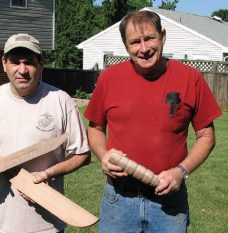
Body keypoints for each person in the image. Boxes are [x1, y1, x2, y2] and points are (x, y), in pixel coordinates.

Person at [84, 10, 222, 233]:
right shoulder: (109, 78)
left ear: (163, 37)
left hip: (169, 204)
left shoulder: (190, 79)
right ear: (125, 45)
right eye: (135, 42)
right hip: (119, 199)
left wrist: (181, 171)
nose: (144, 48)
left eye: (149, 38)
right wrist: (103, 154)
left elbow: (207, 137)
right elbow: (96, 128)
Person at [0, 33, 91, 233]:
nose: (22, 70)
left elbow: (82, 154)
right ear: (4, 63)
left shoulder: (60, 100)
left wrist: (50, 173)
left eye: (29, 62)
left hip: (48, 225)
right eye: (15, 62)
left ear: (41, 64)